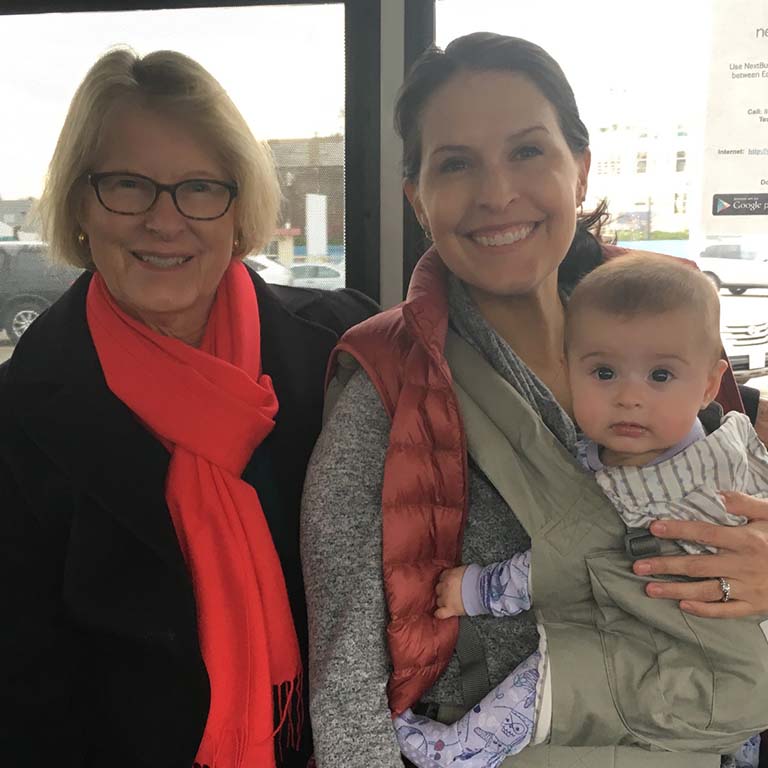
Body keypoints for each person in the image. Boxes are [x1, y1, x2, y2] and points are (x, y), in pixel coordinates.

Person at [301, 32, 768, 768]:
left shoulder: (670, 332)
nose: (496, 193)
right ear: (417, 199)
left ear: (579, 170)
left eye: (527, 152)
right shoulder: (388, 388)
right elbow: (348, 687)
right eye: (455, 164)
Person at [0, 48, 376, 768]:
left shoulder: (343, 352)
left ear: (239, 210)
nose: (164, 221)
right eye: (128, 186)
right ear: (81, 206)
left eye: (200, 187)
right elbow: (23, 704)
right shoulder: (17, 418)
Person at [393, 254, 768, 768]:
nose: (629, 397)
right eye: (604, 372)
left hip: (696, 665)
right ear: (569, 371)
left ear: (709, 384)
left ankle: (461, 749)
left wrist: (475, 589)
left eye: (660, 374)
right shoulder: (710, 446)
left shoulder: (668, 487)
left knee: (552, 678)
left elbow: (577, 557)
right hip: (710, 667)